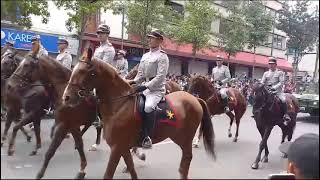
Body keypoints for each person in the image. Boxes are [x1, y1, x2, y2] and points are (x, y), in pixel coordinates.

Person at [128, 29, 169, 149]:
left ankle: (147, 136)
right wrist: (132, 82)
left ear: (160, 40)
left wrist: (146, 86)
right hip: (144, 87)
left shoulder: (162, 56)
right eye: (149, 38)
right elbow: (140, 74)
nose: (150, 40)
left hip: (156, 89)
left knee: (148, 107)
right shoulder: (145, 55)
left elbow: (161, 76)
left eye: (152, 38)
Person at [261, 57, 290, 124]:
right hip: (267, 91)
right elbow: (262, 81)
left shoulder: (280, 72)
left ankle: (286, 115)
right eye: (270, 64)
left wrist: (274, 87)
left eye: (272, 64)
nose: (271, 65)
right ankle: (258, 112)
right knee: (260, 98)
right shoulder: (266, 73)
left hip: (277, 92)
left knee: (283, 100)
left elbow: (281, 82)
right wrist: (260, 85)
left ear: (275, 64)